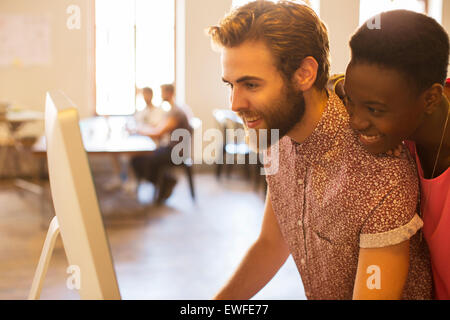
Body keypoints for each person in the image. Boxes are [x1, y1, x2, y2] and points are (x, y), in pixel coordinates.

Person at [208, 0, 432, 300]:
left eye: (251, 85)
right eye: (230, 85)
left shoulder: (378, 169)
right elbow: (272, 243)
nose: (235, 104)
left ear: (304, 74)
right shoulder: (276, 136)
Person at [339, 10, 449, 299]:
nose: (356, 121)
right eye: (351, 101)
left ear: (430, 99)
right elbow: (335, 84)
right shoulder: (407, 108)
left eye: (374, 110)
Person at [130, 84, 192, 203]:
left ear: (169, 93)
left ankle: (167, 182)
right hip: (172, 149)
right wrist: (142, 129)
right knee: (139, 159)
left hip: (176, 152)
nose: (161, 95)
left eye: (162, 92)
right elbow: (158, 127)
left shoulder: (176, 112)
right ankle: (165, 182)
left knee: (137, 160)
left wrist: (138, 131)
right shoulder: (173, 110)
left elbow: (158, 132)